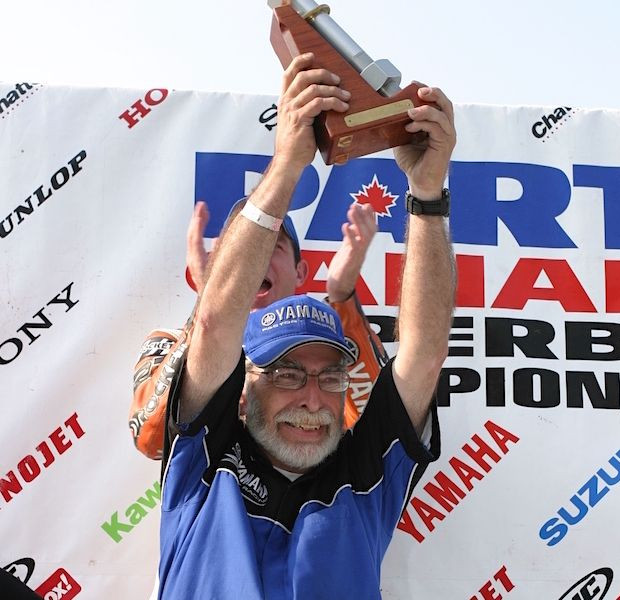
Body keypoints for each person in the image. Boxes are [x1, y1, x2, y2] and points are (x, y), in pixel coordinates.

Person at [158, 52, 456, 599]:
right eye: (289, 373)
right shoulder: (206, 454)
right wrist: (289, 161)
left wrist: (429, 194)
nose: (314, 400)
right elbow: (217, 325)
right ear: (245, 389)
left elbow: (424, 353)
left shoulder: (366, 479)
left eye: (330, 376)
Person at [130, 195, 388, 461]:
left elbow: (375, 430)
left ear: (300, 272)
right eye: (241, 249)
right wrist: (208, 307)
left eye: (273, 246)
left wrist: (342, 297)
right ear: (219, 267)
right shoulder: (168, 341)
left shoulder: (321, 354)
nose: (254, 261)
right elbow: (152, 439)